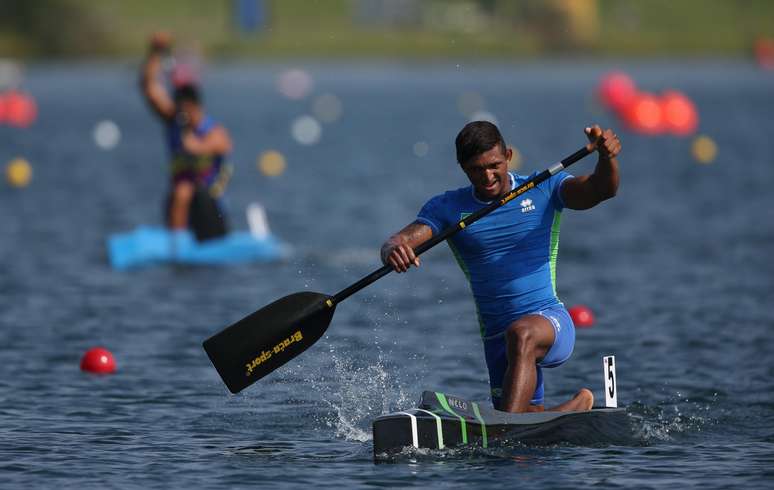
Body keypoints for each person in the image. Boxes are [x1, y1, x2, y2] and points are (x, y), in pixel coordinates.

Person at [381, 121, 621, 413]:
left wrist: (606, 159)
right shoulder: (447, 208)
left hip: (549, 321)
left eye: (494, 165)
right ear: (462, 167)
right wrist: (395, 250)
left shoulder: (544, 188)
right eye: (476, 169)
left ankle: (505, 429)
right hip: (496, 338)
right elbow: (400, 239)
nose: (488, 176)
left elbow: (601, 190)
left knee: (522, 336)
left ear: (508, 155)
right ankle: (576, 406)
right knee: (528, 420)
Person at [140, 32, 233, 241]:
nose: (180, 116)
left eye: (184, 112)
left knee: (185, 190)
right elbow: (150, 89)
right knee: (180, 191)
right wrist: (155, 53)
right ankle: (177, 240)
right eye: (178, 111)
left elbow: (217, 145)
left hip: (212, 214)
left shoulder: (214, 131)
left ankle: (178, 244)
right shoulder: (175, 121)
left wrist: (192, 143)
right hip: (178, 209)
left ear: (194, 107)